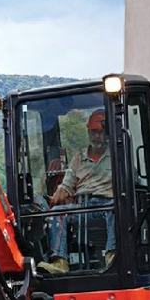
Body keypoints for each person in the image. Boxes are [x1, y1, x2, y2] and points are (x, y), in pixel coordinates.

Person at [40, 108, 116, 273]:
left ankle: (113, 255)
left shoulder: (117, 155)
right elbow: (67, 186)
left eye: (100, 132)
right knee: (57, 212)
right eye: (94, 132)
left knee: (116, 209)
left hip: (107, 204)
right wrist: (53, 199)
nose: (97, 136)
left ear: (107, 133)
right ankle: (60, 261)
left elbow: (129, 180)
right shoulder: (78, 158)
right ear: (88, 132)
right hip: (82, 206)